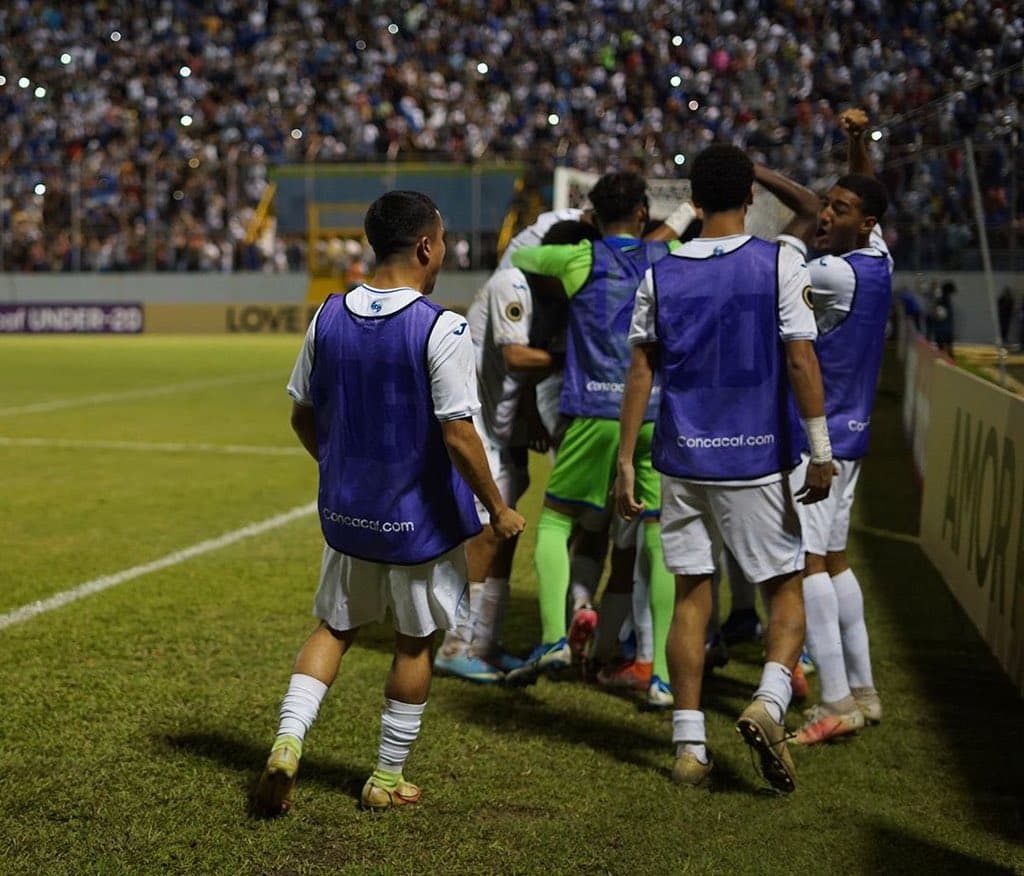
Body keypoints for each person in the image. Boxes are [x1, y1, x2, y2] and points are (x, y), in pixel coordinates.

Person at [255, 191, 525, 815]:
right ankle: (385, 776)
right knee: (413, 642)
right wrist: (497, 507)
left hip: (348, 516)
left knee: (334, 628)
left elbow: (301, 415)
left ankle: (288, 743)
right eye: (443, 240)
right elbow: (459, 435)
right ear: (426, 246)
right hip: (417, 524)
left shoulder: (327, 316)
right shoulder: (441, 327)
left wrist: (339, 468)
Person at [616, 143, 833, 792]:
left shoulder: (660, 273)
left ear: (694, 200)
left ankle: (689, 747)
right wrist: (821, 451)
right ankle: (769, 702)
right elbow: (800, 359)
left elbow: (641, 370)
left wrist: (625, 460)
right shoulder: (779, 261)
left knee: (691, 595)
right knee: (785, 589)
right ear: (751, 196)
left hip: (683, 459)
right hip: (755, 457)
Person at [506, 172, 694, 706]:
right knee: (655, 535)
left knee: (557, 520)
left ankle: (554, 639)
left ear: (593, 216)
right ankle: (661, 674)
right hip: (654, 413)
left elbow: (520, 257)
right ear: (642, 213)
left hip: (593, 410)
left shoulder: (578, 258)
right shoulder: (668, 255)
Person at [753, 107, 893, 745]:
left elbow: (778, 267)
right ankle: (864, 691)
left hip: (820, 443)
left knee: (806, 563)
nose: (826, 216)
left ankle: (833, 699)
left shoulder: (830, 272)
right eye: (828, 206)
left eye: (840, 211)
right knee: (835, 561)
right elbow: (866, 196)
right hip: (853, 438)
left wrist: (756, 186)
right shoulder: (878, 258)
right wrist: (858, 144)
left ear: (864, 224)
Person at [433, 219, 600, 683]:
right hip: (477, 422)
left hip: (506, 427)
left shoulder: (551, 300)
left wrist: (530, 417)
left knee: (506, 532)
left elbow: (523, 373)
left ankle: (485, 643)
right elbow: (515, 357)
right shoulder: (512, 282)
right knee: (488, 532)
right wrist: (580, 359)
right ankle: (455, 645)